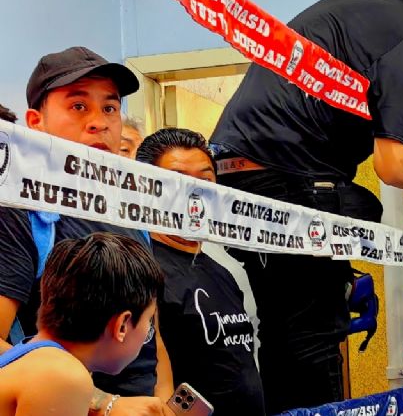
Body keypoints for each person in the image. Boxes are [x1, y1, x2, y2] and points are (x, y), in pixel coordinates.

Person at [210, 0, 403, 411]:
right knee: (312, 336)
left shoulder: (382, 7)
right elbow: (396, 167)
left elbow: (388, 91)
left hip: (247, 170)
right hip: (287, 181)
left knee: (286, 329)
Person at [0, 46, 172, 416]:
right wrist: (103, 403)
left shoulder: (130, 213)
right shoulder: (21, 212)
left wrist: (164, 397)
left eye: (110, 108)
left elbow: (149, 327)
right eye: (79, 106)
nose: (100, 122)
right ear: (35, 121)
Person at [136, 128, 265, 416]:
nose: (196, 194)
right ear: (147, 188)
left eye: (205, 181)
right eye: (178, 181)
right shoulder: (140, 270)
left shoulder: (223, 271)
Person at [0, 233, 163, 416]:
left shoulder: (33, 356)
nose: (147, 332)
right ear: (122, 326)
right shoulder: (63, 377)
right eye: (149, 322)